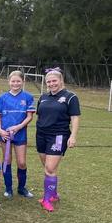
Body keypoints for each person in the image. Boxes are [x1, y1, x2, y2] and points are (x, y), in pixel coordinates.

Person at [35, 68, 80, 212]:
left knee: (50, 168)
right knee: (48, 167)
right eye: (49, 81)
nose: (51, 83)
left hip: (58, 136)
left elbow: (75, 117)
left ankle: (47, 199)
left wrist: (73, 135)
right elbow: (40, 115)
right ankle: (53, 193)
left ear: (61, 81)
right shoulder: (43, 97)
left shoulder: (70, 97)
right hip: (41, 135)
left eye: (54, 80)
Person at [0, 71, 36, 198]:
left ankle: (21, 188)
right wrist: (0, 129)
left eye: (18, 81)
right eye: (13, 81)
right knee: (7, 160)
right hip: (4, 134)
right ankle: (8, 188)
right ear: (9, 82)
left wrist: (18, 127)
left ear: (23, 82)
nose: (15, 83)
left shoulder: (28, 97)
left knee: (22, 162)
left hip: (20, 133)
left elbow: (29, 116)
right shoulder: (2, 97)